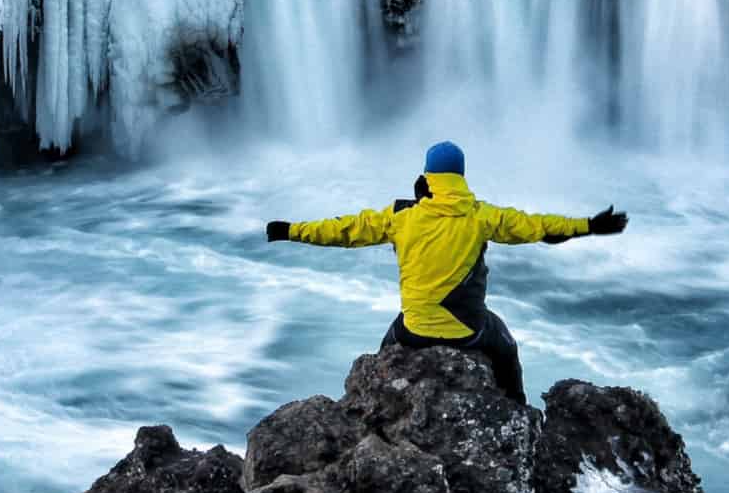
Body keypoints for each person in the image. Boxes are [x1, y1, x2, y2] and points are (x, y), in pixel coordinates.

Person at [264, 140, 628, 405]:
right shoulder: (481, 215)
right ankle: (516, 407)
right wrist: (589, 225)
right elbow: (539, 227)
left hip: (414, 332)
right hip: (468, 331)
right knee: (505, 343)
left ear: (426, 177)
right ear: (460, 177)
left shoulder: (400, 216)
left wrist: (290, 230)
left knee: (390, 340)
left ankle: (370, 394)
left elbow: (342, 231)